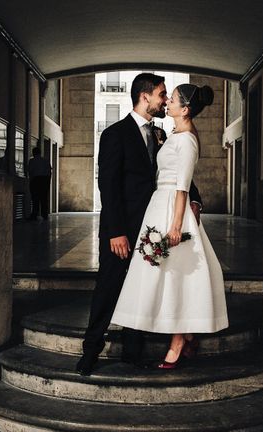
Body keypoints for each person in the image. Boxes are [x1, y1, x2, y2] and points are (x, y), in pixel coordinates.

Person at [76, 73, 203, 376]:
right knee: (108, 287)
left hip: (153, 227)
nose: (164, 100)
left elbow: (177, 173)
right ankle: (90, 351)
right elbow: (108, 187)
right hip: (122, 229)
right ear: (145, 97)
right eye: (161, 94)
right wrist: (116, 231)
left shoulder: (162, 135)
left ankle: (133, 352)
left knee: (140, 290)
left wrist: (195, 200)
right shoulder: (114, 134)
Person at [110, 83, 228, 369]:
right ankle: (184, 333)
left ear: (184, 109)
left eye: (171, 99)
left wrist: (176, 225)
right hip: (158, 205)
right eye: (167, 97)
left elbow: (182, 187)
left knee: (177, 276)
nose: (167, 103)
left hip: (172, 210)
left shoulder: (187, 139)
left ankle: (178, 340)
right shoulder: (174, 135)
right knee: (163, 273)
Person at [27, 146, 52, 220]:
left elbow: (30, 171)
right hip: (44, 180)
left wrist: (31, 181)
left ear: (33, 153)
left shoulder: (32, 161)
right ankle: (44, 214)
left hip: (35, 180)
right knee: (44, 198)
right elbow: (49, 172)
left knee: (35, 199)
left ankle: (35, 214)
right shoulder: (46, 161)